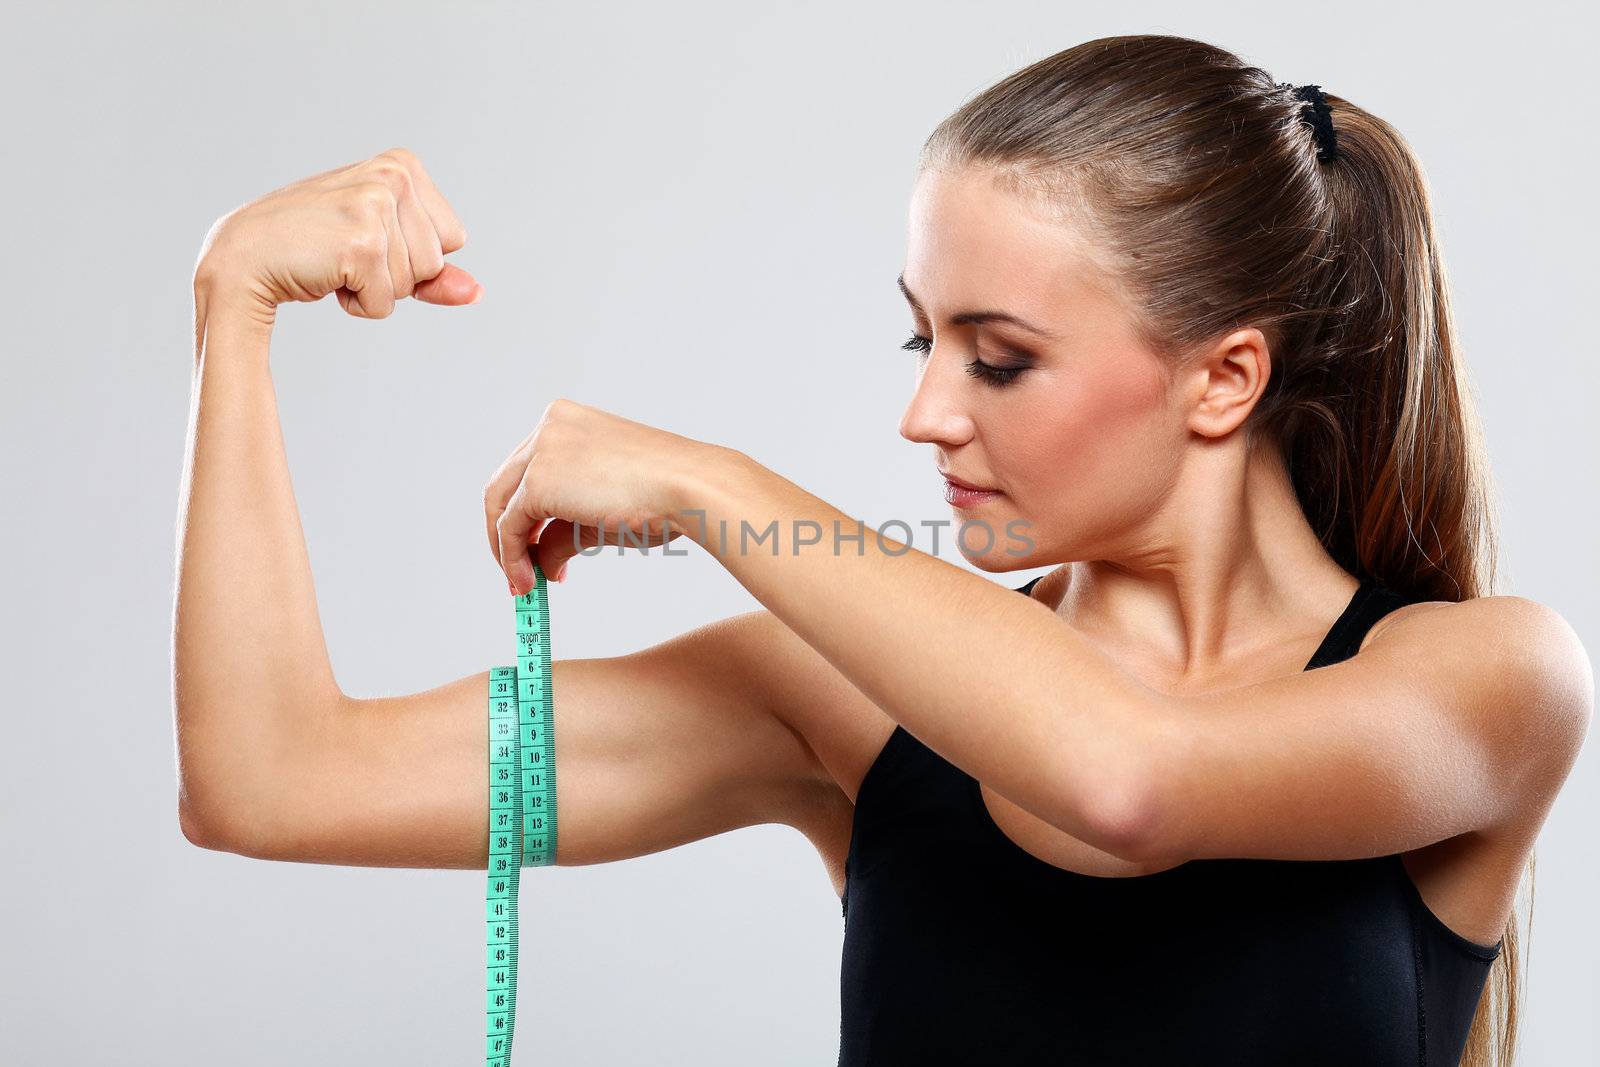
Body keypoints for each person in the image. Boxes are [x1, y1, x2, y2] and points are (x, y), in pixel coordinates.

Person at [173, 33, 1590, 1067]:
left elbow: (1133, 779)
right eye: (927, 337)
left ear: (1223, 379)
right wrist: (233, 303)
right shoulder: (848, 695)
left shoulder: (1485, 680)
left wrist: (711, 486)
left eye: (1002, 358)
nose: (924, 414)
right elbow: (273, 782)